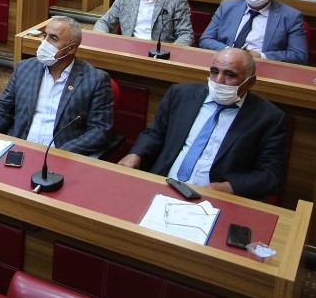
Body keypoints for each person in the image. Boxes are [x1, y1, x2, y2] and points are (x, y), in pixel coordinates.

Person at [118, 47, 286, 200]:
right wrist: (136, 154)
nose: (219, 80)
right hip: (164, 184)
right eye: (214, 72)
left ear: (250, 82)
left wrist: (229, 187)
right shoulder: (180, 94)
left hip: (217, 199)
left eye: (230, 75)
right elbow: (155, 133)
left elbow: (270, 175)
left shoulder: (269, 118)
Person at [0, 16, 114, 156]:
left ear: (71, 49)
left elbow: (100, 130)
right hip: (19, 149)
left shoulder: (95, 80)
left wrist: (61, 153)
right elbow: (2, 108)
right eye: (45, 36)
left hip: (61, 155)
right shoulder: (24, 68)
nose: (45, 43)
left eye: (53, 38)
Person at [198, 0, 308, 64]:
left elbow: (299, 56)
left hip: (262, 66)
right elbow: (205, 40)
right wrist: (231, 52)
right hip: (225, 62)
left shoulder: (290, 16)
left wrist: (260, 56)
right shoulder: (227, 6)